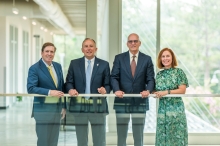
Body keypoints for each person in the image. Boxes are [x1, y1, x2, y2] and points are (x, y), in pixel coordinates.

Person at [111, 33, 155, 146]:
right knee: (121, 135)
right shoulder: (119, 58)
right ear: (127, 44)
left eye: (135, 41)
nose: (133, 43)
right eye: (130, 41)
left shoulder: (147, 59)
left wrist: (148, 91)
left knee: (138, 135)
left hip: (140, 101)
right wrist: (116, 90)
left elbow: (150, 79)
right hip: (122, 101)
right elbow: (114, 77)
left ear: (140, 43)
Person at [65, 38, 111, 146]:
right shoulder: (74, 63)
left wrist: (106, 90)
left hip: (98, 107)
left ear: (96, 49)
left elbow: (108, 84)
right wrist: (70, 89)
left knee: (99, 140)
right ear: (82, 49)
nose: (88, 48)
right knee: (81, 140)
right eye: (86, 46)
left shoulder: (104, 64)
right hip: (79, 106)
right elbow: (68, 82)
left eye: (91, 46)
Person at [27, 42, 66, 146]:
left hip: (57, 111)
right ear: (42, 53)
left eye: (52, 52)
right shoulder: (34, 68)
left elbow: (61, 87)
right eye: (47, 51)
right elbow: (31, 88)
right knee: (43, 142)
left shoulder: (58, 66)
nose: (49, 54)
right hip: (42, 112)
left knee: (54, 142)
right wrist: (49, 92)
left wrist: (64, 107)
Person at [154, 47, 188, 146]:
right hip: (162, 109)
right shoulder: (159, 75)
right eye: (163, 56)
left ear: (172, 58)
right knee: (162, 136)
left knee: (177, 135)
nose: (165, 58)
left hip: (176, 109)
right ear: (160, 59)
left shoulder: (179, 72)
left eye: (168, 56)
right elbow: (157, 90)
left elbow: (182, 90)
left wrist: (166, 92)